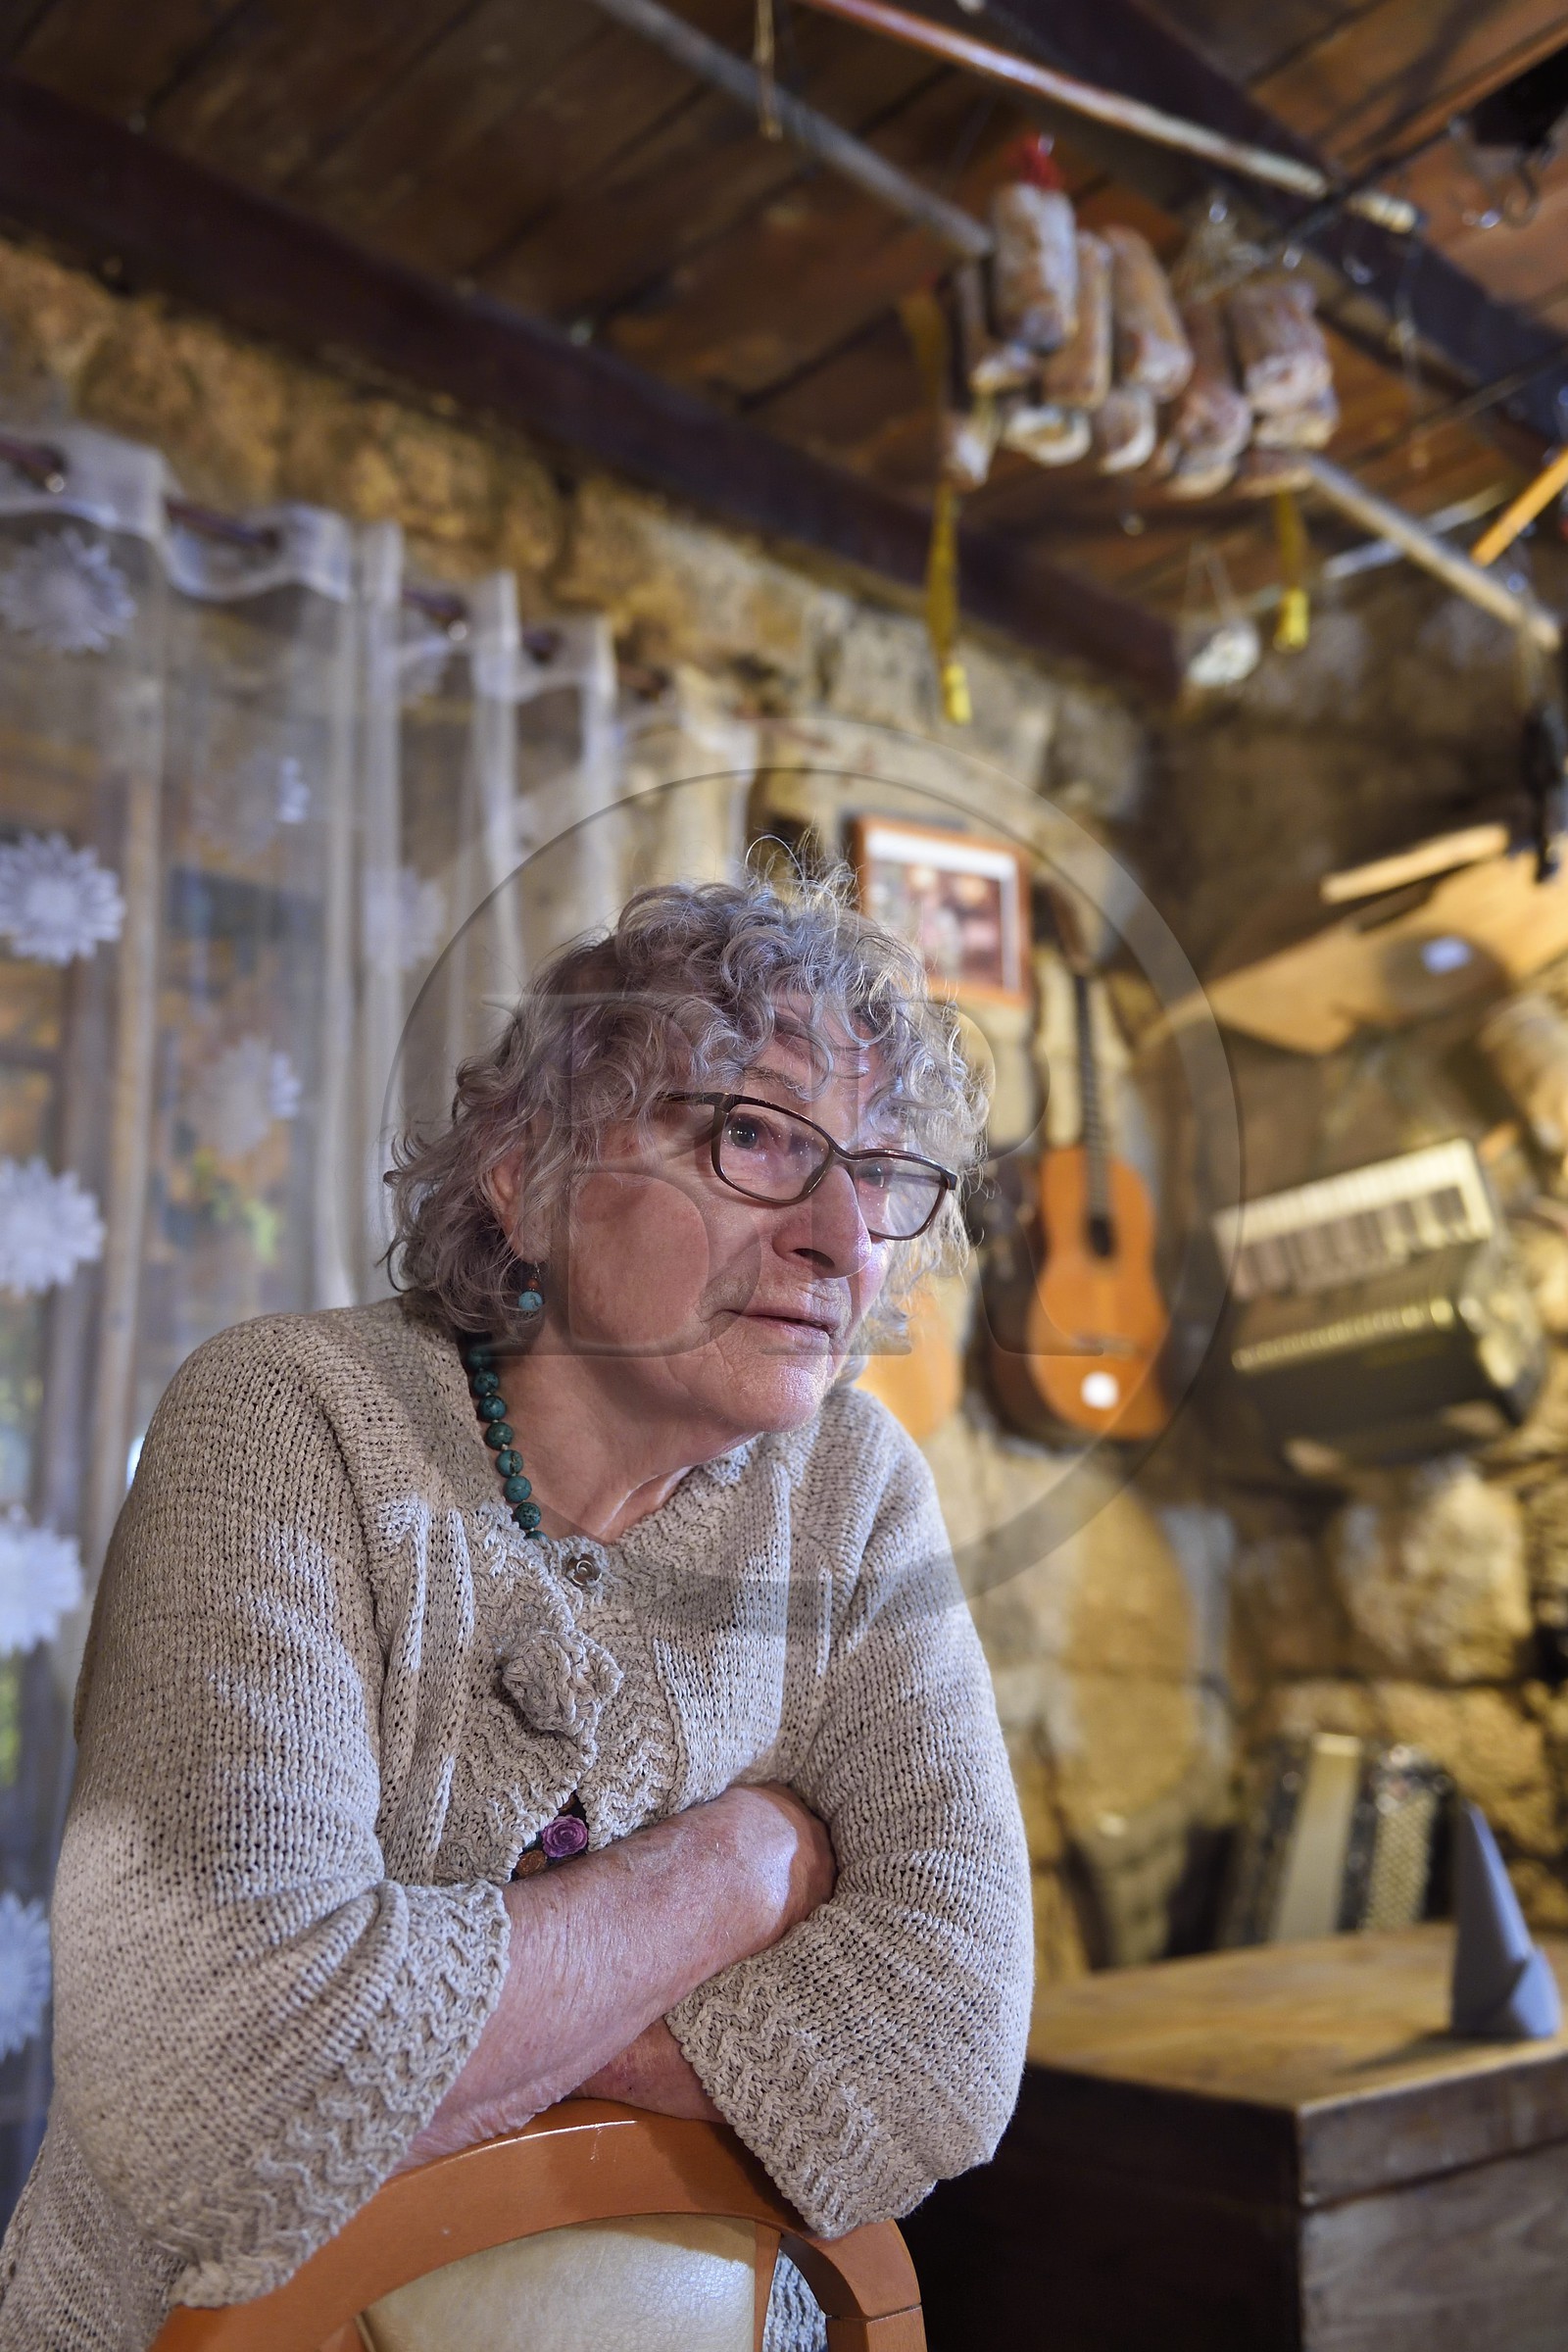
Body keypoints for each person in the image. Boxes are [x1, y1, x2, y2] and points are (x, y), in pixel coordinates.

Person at [0, 874, 1032, 2350]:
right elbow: (216, 2092)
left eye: (877, 1173)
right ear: (527, 1175)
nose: (839, 1236)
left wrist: (419, 2033)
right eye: (753, 1135)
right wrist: (740, 1875)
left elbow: (948, 2049)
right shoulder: (293, 1424)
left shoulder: (852, 1492)